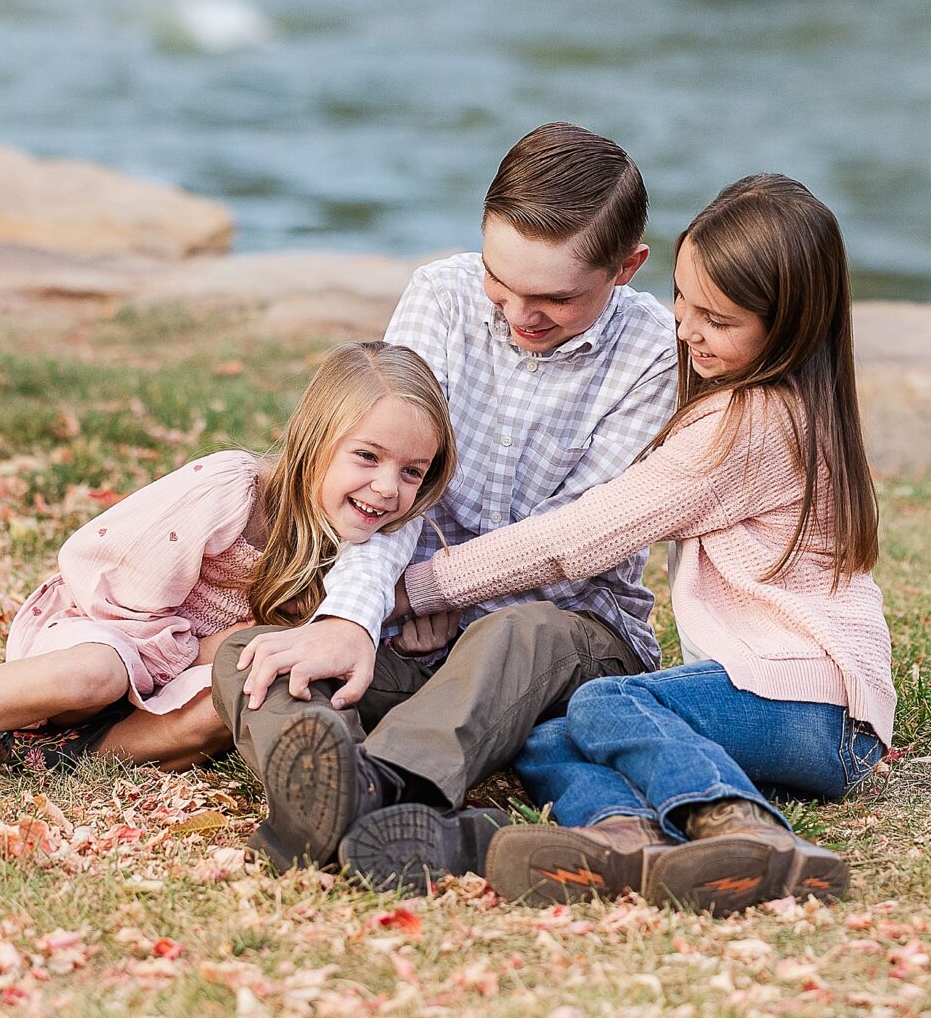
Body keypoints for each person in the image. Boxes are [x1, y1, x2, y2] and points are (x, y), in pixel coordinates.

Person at [391, 173, 891, 913]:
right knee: (545, 732)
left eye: (718, 319)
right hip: (769, 698)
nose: (685, 328)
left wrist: (420, 587)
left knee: (603, 705)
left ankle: (752, 836)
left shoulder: (749, 425)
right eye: (684, 298)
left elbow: (581, 537)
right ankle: (625, 842)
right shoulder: (759, 403)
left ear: (788, 325)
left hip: (816, 707)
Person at [211, 123, 679, 885]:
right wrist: (351, 620)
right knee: (251, 654)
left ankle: (378, 789)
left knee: (516, 632)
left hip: (569, 635)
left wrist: (431, 588)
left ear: (626, 268)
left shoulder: (658, 356)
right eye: (503, 278)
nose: (518, 312)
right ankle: (325, 788)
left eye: (554, 297)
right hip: (419, 632)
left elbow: (572, 546)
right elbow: (394, 488)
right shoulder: (443, 295)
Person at [0, 342, 454, 796]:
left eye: (411, 472)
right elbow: (102, 578)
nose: (388, 488)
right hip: (110, 633)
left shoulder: (371, 542)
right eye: (367, 457)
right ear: (315, 440)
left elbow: (359, 616)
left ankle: (45, 759)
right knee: (94, 675)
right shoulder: (232, 492)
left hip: (180, 677)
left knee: (228, 699)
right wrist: (186, 652)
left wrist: (423, 608)